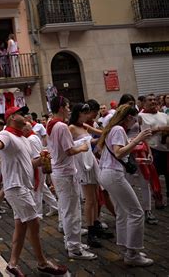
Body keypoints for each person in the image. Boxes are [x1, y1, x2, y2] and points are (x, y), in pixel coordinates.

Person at [0, 106, 68, 277]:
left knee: (21, 227)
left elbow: (29, 163)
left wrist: (42, 160)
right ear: (12, 117)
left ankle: (12, 264)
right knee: (34, 223)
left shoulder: (24, 139)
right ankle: (43, 263)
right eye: (21, 114)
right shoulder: (6, 135)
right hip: (16, 187)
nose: (26, 116)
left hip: (25, 186)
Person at [97, 104, 154, 266]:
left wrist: (141, 160)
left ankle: (125, 248)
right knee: (136, 212)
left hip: (108, 173)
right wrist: (138, 139)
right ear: (129, 117)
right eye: (134, 119)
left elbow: (118, 155)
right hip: (113, 174)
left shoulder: (113, 129)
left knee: (122, 212)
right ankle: (132, 253)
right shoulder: (118, 130)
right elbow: (118, 152)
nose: (135, 123)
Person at [47, 97, 97, 260]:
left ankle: (72, 241)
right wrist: (82, 147)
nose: (69, 109)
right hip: (65, 172)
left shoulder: (51, 123)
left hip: (61, 171)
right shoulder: (61, 126)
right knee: (71, 211)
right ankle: (74, 248)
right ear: (61, 108)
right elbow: (69, 150)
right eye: (67, 106)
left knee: (69, 209)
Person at [69, 103, 102, 248]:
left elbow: (100, 134)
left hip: (91, 161)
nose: (87, 115)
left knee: (94, 197)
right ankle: (90, 233)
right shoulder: (71, 128)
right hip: (83, 164)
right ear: (78, 113)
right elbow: (69, 148)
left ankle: (95, 226)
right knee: (89, 199)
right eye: (84, 113)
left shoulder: (84, 126)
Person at [139, 94, 169, 204]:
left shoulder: (163, 115)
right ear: (144, 103)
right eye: (150, 100)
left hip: (166, 148)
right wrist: (159, 129)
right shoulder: (141, 116)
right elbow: (142, 134)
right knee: (154, 176)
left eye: (154, 100)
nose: (153, 102)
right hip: (152, 149)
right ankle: (158, 199)